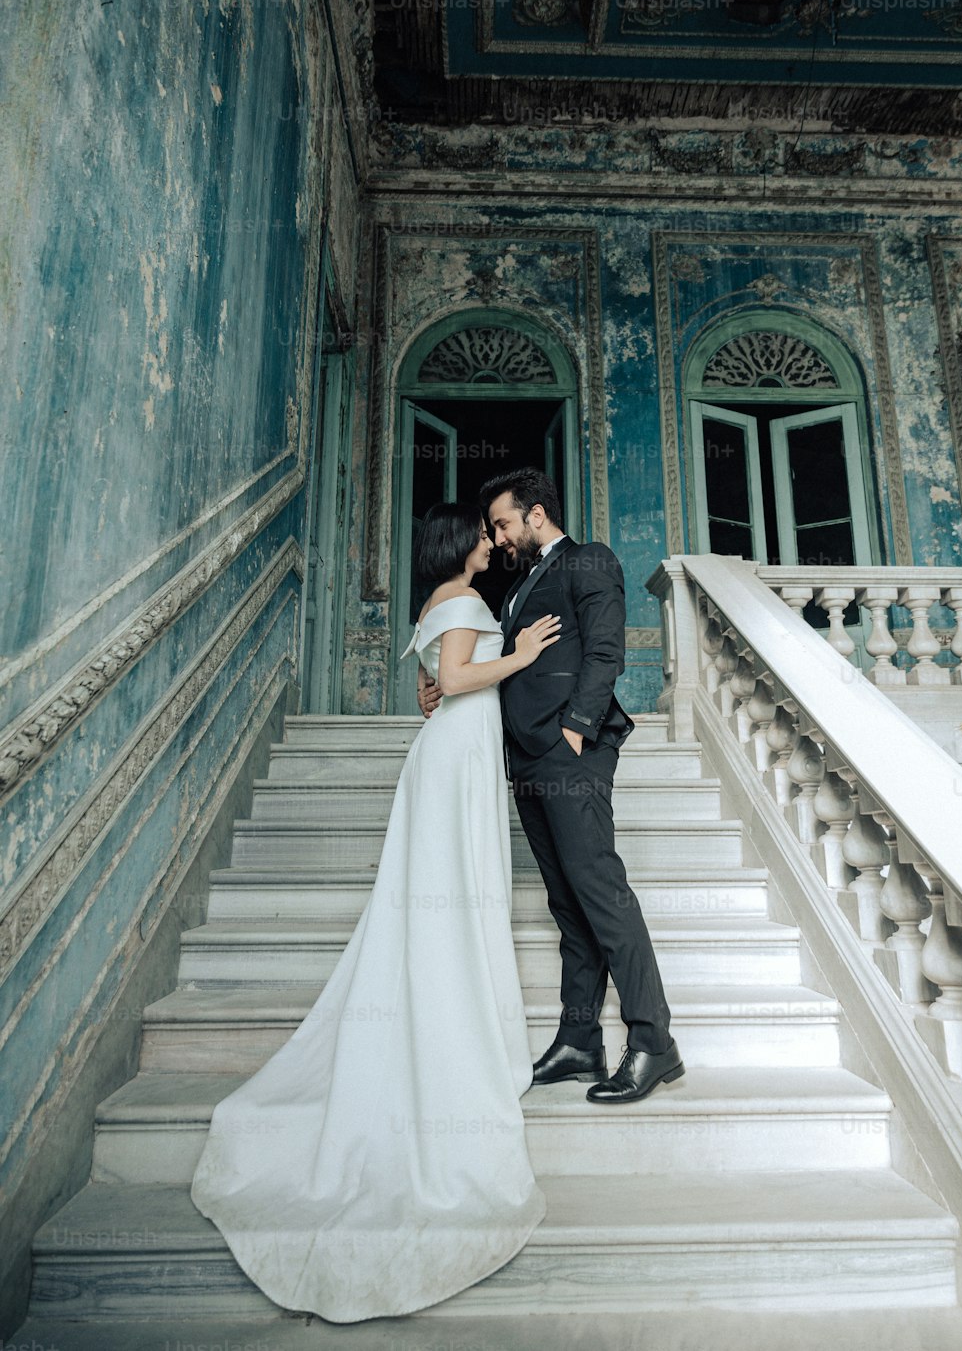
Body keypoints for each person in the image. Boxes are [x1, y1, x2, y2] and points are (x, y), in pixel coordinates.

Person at [190, 503, 559, 1322]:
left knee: (442, 898)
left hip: (447, 756)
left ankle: (448, 1001)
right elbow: (458, 683)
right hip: (455, 762)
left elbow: (431, 691)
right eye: (480, 534)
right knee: (453, 897)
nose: (489, 544)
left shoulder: (433, 604)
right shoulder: (465, 603)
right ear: (459, 544)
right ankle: (454, 1026)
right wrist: (523, 652)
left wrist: (456, 681)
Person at [478, 467, 684, 1104]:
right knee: (567, 904)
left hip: (570, 754)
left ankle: (653, 1042)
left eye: (505, 523)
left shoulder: (588, 560)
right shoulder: (520, 585)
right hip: (528, 758)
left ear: (536, 514)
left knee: (601, 893)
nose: (500, 537)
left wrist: (576, 729)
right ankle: (579, 1041)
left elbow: (604, 650)